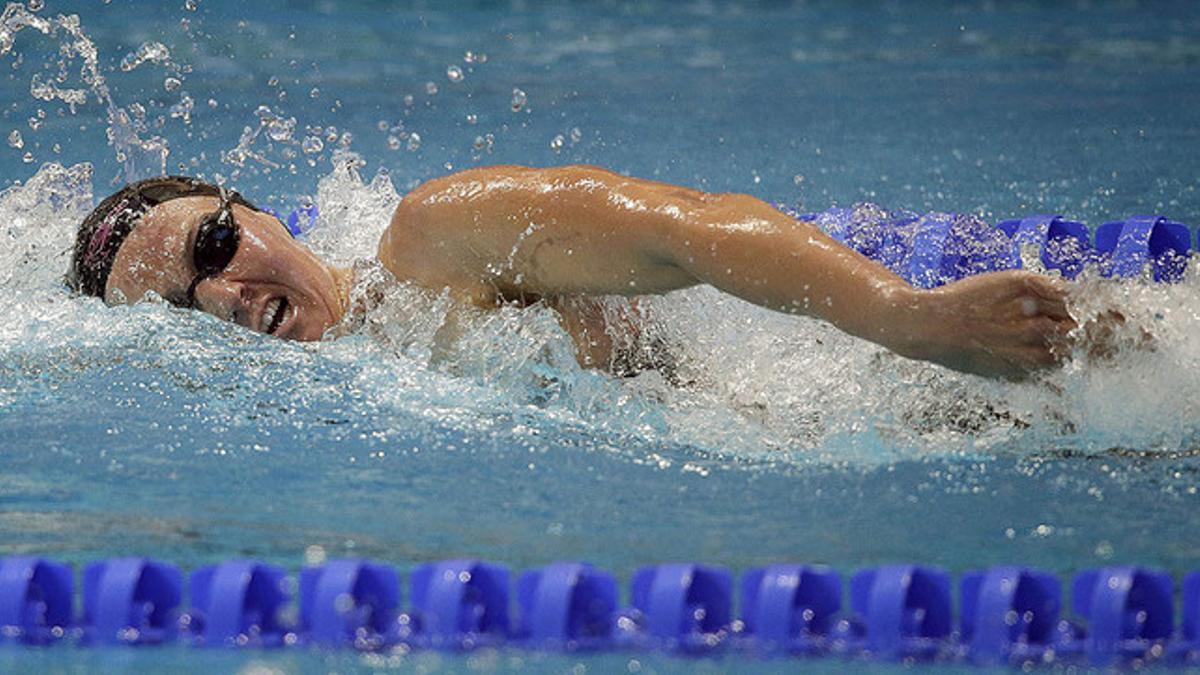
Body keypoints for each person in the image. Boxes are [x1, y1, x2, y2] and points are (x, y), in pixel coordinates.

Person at [67, 164, 1076, 380]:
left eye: (211, 249)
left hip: (923, 388)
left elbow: (697, 228)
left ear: (269, 214)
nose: (222, 296)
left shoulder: (434, 244)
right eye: (179, 308)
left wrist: (910, 319)